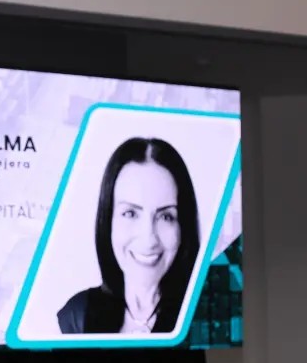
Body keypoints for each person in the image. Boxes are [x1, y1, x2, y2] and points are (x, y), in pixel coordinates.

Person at [57, 137, 200, 335]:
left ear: (183, 227)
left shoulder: (206, 315)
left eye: (166, 216)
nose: (149, 239)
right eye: (130, 213)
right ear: (108, 221)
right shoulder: (77, 316)